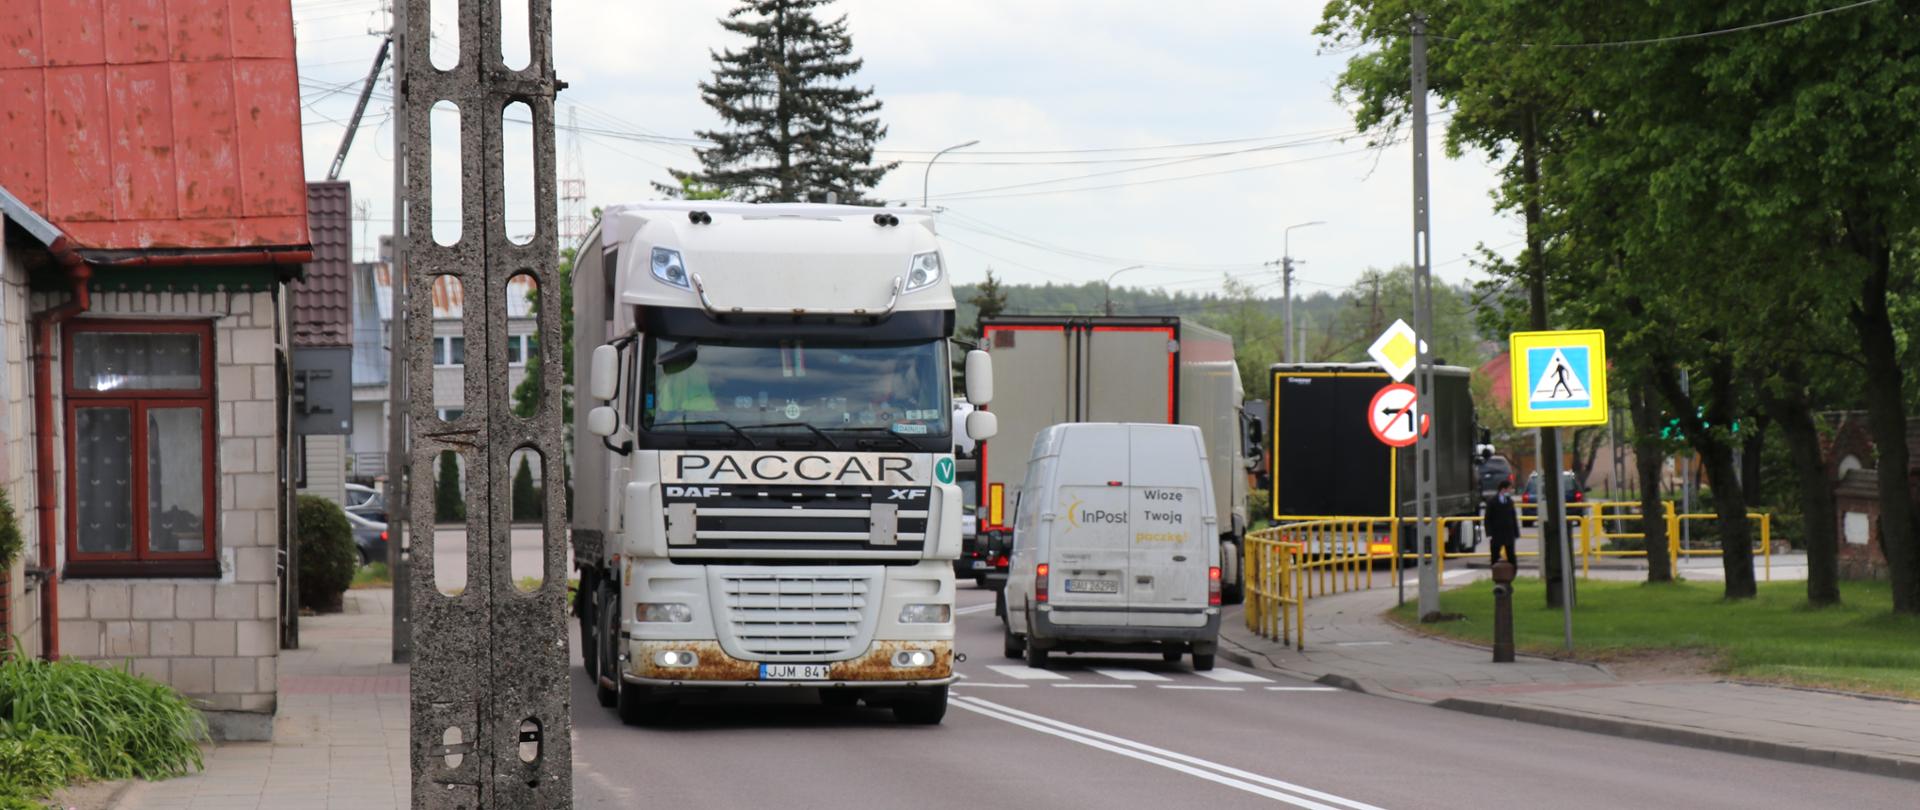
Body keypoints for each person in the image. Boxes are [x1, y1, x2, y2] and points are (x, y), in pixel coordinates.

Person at [1485, 478, 1520, 567]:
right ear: (1503, 489)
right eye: (1509, 488)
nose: (1511, 491)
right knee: (1495, 555)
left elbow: (1513, 517)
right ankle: (1495, 573)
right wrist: (1489, 532)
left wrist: (1516, 532)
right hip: (1497, 533)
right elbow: (1487, 518)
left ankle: (1512, 573)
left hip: (1509, 533)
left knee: (1511, 555)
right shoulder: (1492, 501)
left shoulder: (1510, 502)